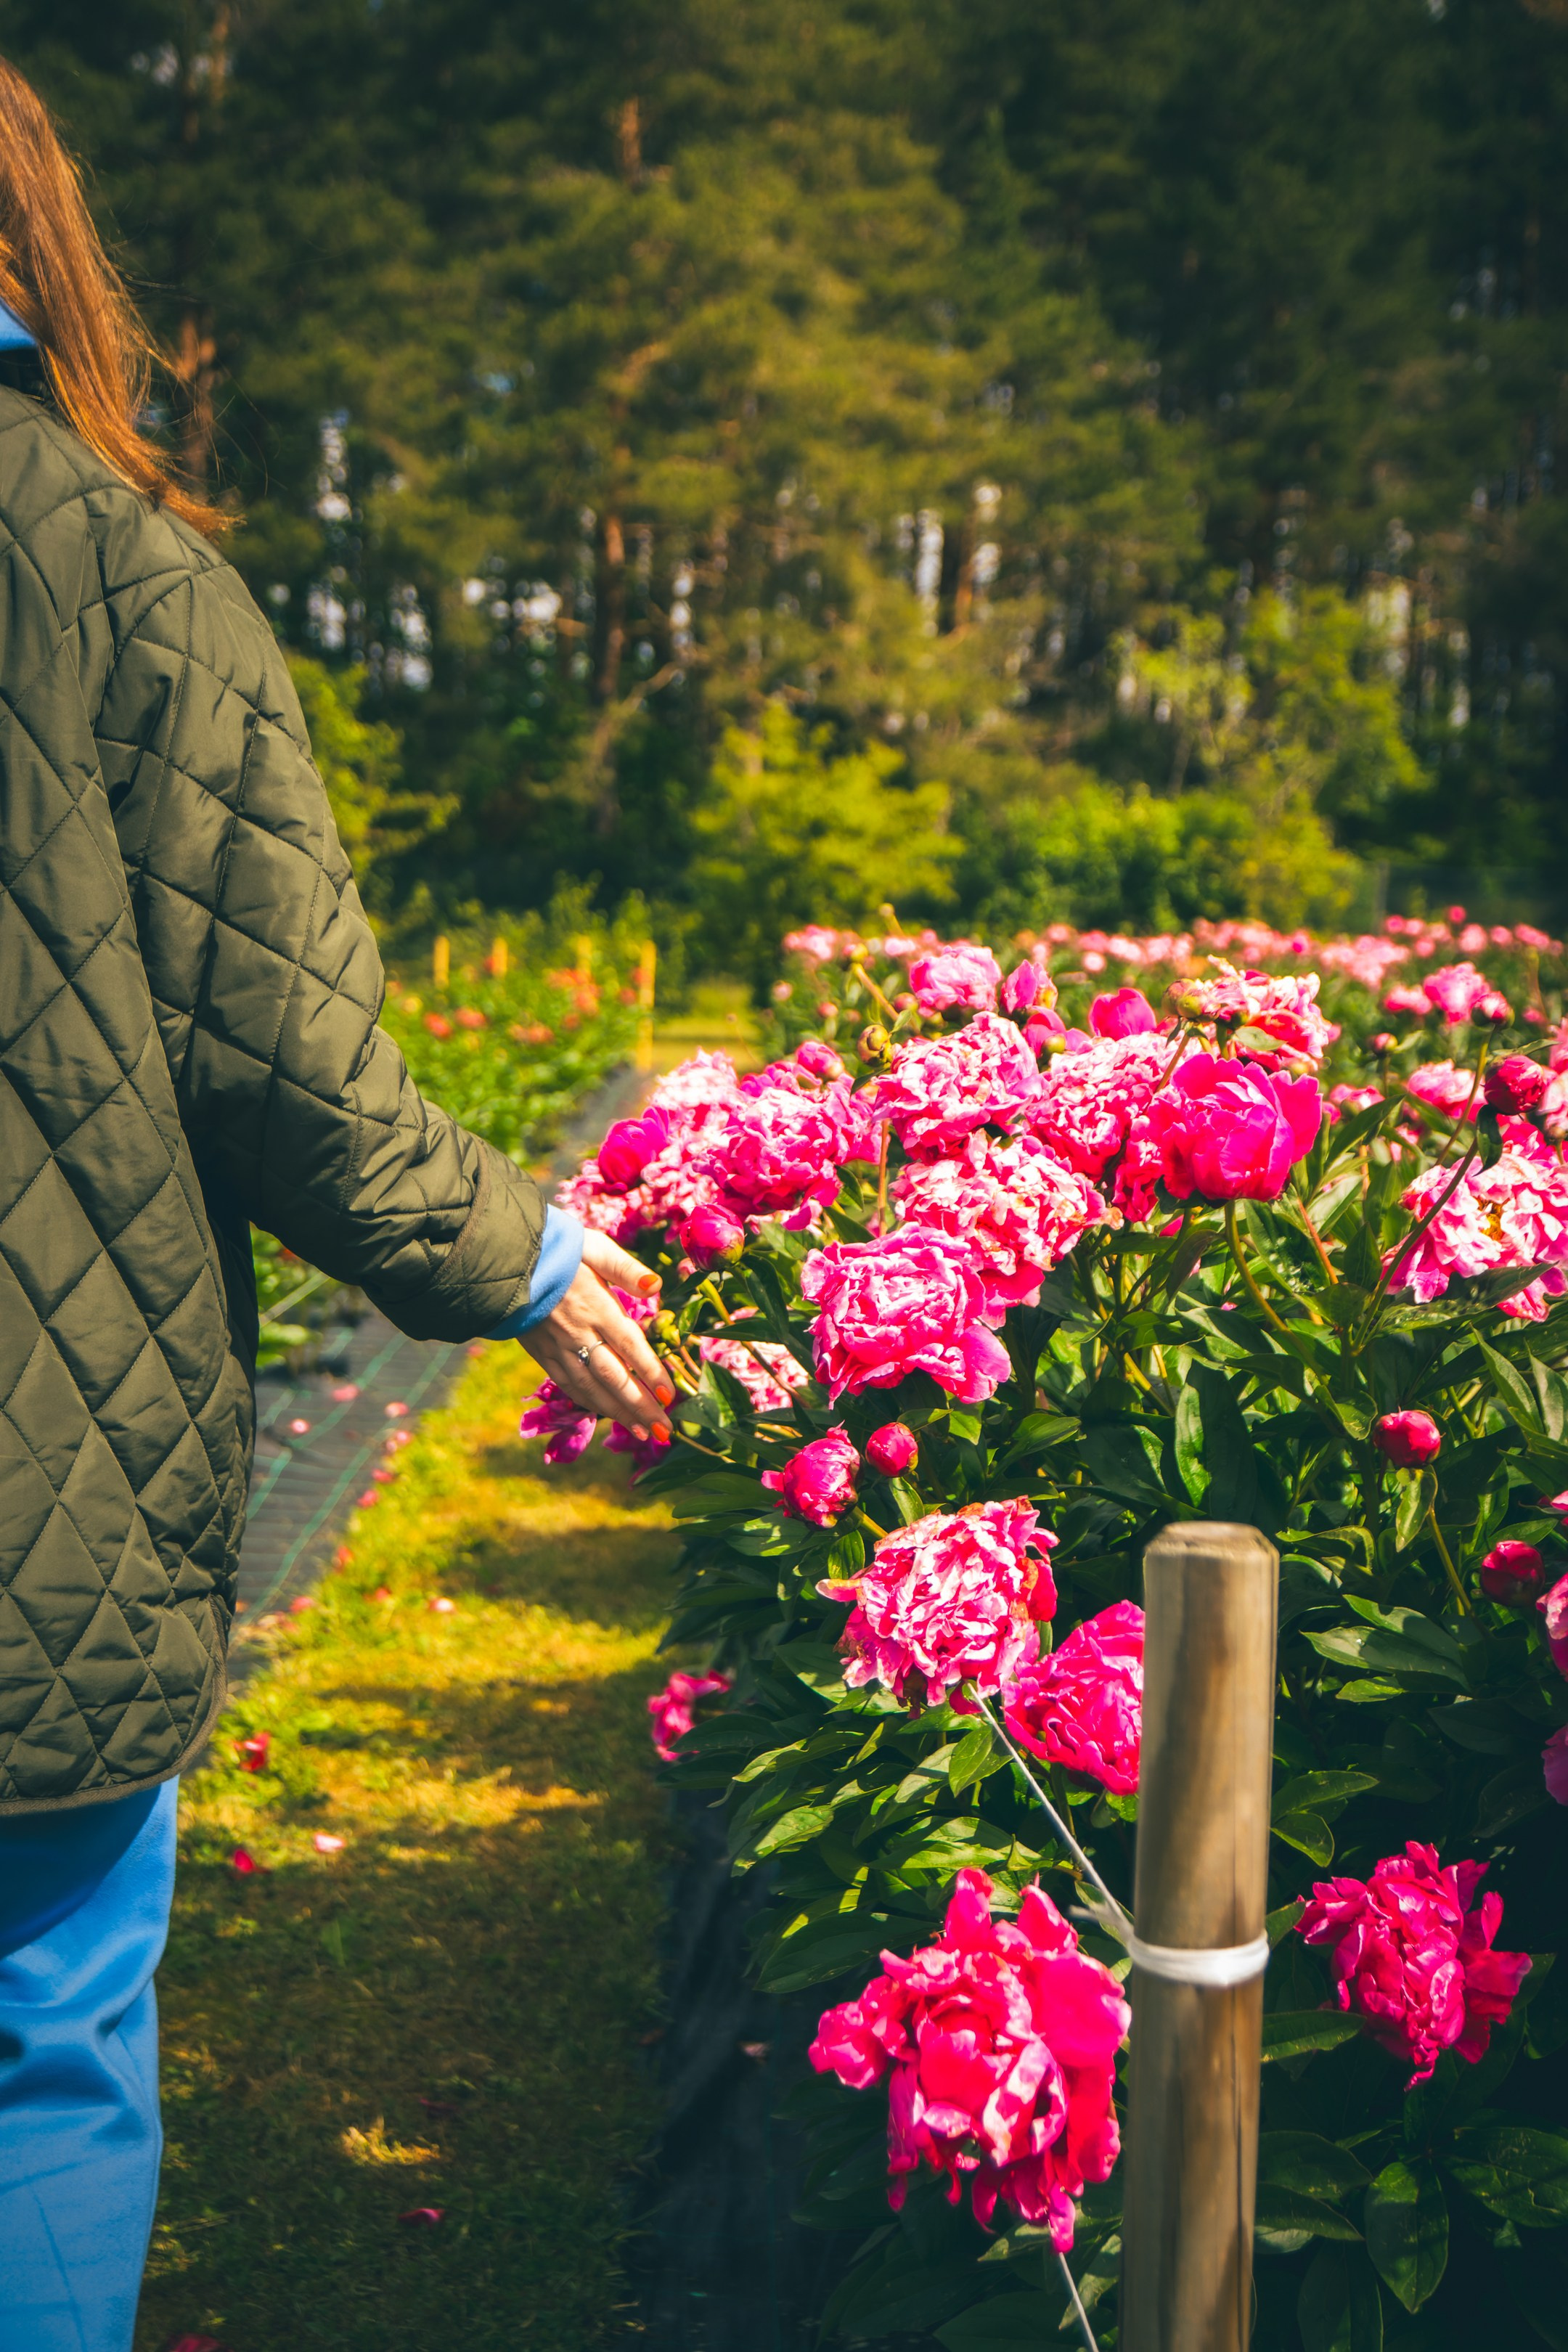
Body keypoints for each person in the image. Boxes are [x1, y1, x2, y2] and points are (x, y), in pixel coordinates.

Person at [0, 59, 670, 2352]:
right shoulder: (118, 571)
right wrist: (542, 1253)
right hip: (39, 1508)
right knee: (40, 2063)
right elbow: (295, 1072)